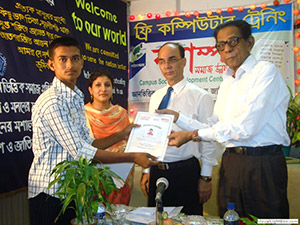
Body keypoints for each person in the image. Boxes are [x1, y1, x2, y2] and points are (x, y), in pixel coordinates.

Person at [28, 36, 159, 225]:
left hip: (72, 189)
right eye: (62, 59)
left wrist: (122, 134)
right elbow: (82, 153)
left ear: (82, 62)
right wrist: (133, 156)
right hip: (50, 191)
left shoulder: (75, 97)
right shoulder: (52, 102)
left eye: (75, 58)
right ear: (51, 64)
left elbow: (87, 142)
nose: (69, 65)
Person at [167, 20, 290, 218]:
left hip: (262, 164)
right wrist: (178, 117)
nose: (227, 50)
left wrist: (191, 134)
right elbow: (214, 126)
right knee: (230, 218)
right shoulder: (227, 82)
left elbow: (245, 129)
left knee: (270, 220)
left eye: (233, 41)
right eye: (221, 45)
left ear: (249, 42)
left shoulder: (265, 72)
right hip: (231, 163)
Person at [140, 42, 217, 215]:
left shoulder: (200, 96)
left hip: (185, 172)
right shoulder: (156, 96)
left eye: (172, 60)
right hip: (156, 170)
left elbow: (209, 138)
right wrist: (146, 171)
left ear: (184, 62)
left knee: (187, 219)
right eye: (162, 61)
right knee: (157, 219)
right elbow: (149, 136)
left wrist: (206, 176)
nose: (167, 66)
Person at [84, 69, 134, 205]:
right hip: (93, 178)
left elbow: (130, 145)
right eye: (98, 85)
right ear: (90, 90)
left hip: (119, 178)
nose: (103, 89)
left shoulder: (122, 114)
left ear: (112, 89)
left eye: (107, 85)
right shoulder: (83, 115)